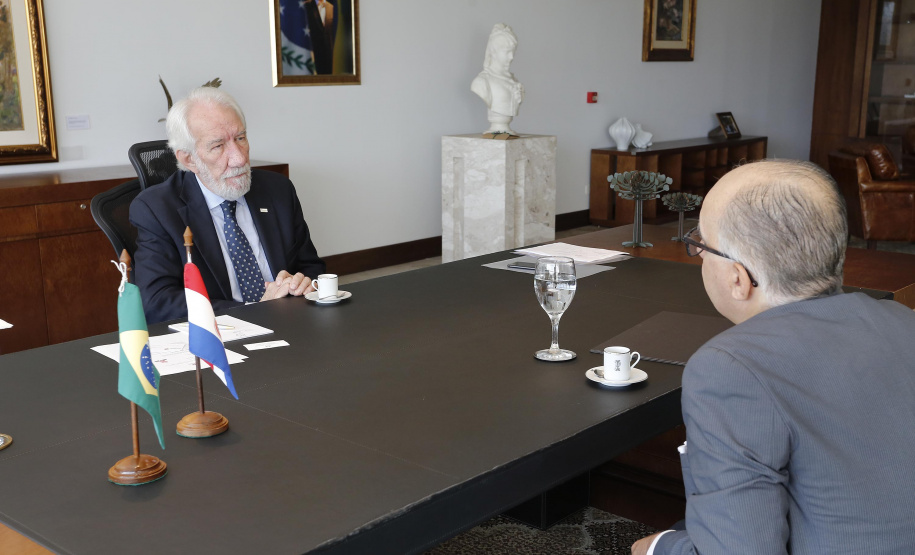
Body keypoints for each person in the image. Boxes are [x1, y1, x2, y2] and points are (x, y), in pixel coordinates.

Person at [632, 160, 915, 555]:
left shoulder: (731, 367)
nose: (696, 251)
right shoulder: (902, 319)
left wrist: (659, 549)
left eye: (701, 243)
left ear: (738, 278)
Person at [130, 87, 325, 324]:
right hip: (218, 335)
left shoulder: (278, 191)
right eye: (218, 146)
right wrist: (253, 310)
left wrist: (303, 282)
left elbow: (312, 267)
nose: (240, 158)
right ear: (189, 159)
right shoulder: (157, 209)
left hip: (289, 322)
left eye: (240, 138)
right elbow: (158, 302)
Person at [471, 23, 524, 135]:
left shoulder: (514, 81)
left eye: (513, 52)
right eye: (507, 52)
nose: (511, 57)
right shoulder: (482, 82)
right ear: (493, 52)